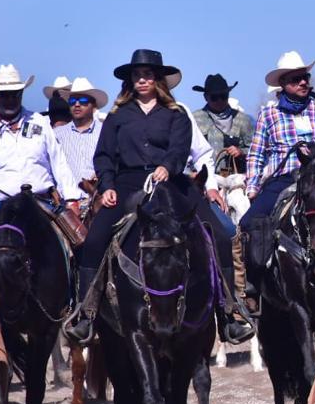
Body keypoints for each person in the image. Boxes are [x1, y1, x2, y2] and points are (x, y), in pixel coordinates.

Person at [67, 49, 253, 346]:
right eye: (137, 76)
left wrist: (168, 166)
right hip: (127, 183)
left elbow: (180, 149)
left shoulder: (176, 113)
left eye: (148, 75)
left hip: (171, 183)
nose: (142, 80)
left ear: (158, 80)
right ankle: (86, 314)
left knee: (217, 234)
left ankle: (229, 313)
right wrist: (107, 185)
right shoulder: (117, 117)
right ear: (131, 80)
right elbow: (103, 155)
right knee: (94, 240)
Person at [240, 51, 315, 311]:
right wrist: (253, 187)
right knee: (248, 223)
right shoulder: (268, 114)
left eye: (305, 78)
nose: (303, 83)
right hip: (283, 177)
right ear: (283, 85)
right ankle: (254, 283)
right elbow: (256, 153)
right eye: (295, 79)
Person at [0, 64, 83, 220]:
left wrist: (71, 199)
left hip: (42, 204)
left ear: (22, 93)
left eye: (15, 94)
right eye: (4, 95)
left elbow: (59, 162)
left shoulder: (40, 122)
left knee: (81, 240)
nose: (10, 100)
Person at [190, 73, 254, 170]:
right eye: (214, 97)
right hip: (204, 179)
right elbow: (186, 150)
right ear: (206, 97)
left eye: (223, 96)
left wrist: (241, 152)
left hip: (235, 180)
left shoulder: (243, 120)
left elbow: (255, 150)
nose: (220, 101)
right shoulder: (194, 119)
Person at [53, 77, 107, 184]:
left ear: (94, 105)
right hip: (67, 197)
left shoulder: (105, 132)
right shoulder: (57, 134)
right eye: (73, 101)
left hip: (98, 195)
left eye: (83, 101)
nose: (77, 104)